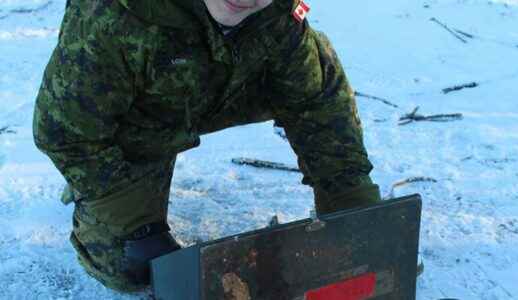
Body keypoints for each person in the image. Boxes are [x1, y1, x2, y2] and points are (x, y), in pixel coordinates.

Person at [32, 0, 381, 293]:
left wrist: (351, 202)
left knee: (317, 66)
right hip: (139, 117)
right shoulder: (114, 15)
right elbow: (63, 131)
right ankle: (98, 184)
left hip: (220, 89)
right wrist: (135, 220)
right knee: (128, 267)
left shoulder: (277, 10)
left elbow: (314, 103)